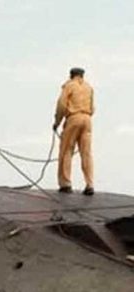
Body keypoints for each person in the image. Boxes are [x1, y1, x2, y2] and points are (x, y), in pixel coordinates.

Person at [53, 67, 95, 196]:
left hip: (73, 117)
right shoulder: (89, 88)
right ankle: (90, 184)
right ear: (82, 76)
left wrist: (57, 122)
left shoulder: (69, 86)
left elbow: (61, 104)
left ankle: (65, 184)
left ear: (71, 75)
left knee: (66, 150)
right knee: (86, 153)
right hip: (87, 119)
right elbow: (93, 108)